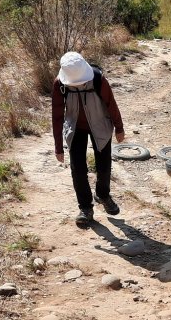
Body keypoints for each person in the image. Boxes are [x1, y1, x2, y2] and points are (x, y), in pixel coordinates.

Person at [51, 51, 125, 228]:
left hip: (100, 125)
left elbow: (111, 104)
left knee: (104, 165)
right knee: (78, 169)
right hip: (75, 128)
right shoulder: (60, 84)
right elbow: (57, 115)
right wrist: (58, 147)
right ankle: (85, 208)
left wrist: (119, 128)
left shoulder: (99, 79)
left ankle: (103, 195)